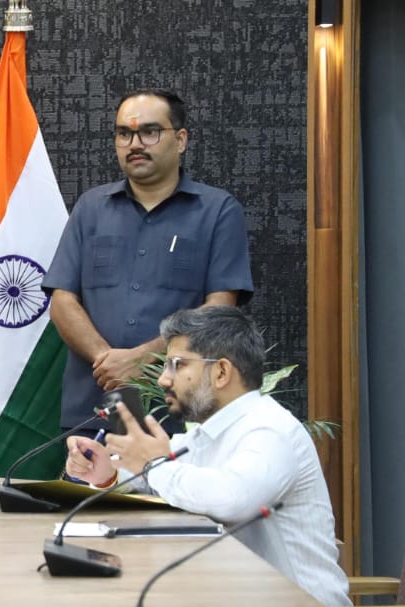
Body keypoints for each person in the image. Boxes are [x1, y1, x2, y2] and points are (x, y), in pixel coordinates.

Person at [65, 306, 349, 607]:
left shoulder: (269, 429)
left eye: (177, 365)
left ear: (221, 372)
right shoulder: (207, 432)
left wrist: (154, 464)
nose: (163, 380)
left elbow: (233, 499)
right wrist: (107, 473)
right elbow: (168, 480)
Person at [42, 89, 254, 433]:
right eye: (124, 134)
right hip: (92, 409)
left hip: (179, 413)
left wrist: (144, 359)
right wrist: (110, 363)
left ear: (180, 140)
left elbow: (220, 309)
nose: (135, 144)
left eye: (149, 132)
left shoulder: (218, 211)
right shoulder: (91, 208)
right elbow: (62, 302)